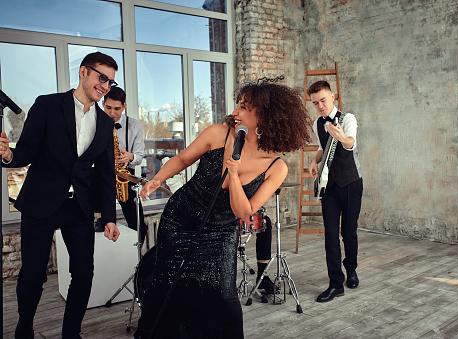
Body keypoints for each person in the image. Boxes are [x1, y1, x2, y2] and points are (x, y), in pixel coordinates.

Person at [134, 80, 310, 338]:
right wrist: (157, 179)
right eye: (238, 105)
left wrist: (235, 175)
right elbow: (183, 159)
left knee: (223, 297)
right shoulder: (219, 133)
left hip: (221, 232)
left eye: (244, 107)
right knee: (168, 284)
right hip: (180, 220)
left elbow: (243, 211)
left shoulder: (276, 167)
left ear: (265, 116)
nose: (236, 112)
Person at [0, 51, 121, 339]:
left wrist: (108, 217)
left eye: (111, 82)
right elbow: (26, 151)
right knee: (32, 276)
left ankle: (71, 334)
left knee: (83, 274)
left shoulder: (105, 123)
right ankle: (24, 327)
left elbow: (105, 174)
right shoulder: (47, 104)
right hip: (40, 203)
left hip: (78, 208)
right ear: (83, 73)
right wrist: (7, 155)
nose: (105, 86)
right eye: (101, 77)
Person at [307, 80, 363, 303]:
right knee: (330, 234)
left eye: (323, 100)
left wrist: (340, 136)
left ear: (333, 96)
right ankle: (335, 284)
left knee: (348, 233)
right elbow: (322, 147)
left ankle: (351, 270)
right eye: (315, 103)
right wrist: (314, 160)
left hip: (351, 182)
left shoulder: (347, 119)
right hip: (329, 186)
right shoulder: (317, 124)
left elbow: (350, 143)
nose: (320, 106)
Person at [223, 114, 275, 294]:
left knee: (265, 223)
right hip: (221, 213)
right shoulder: (220, 149)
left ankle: (263, 275)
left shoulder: (254, 155)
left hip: (243, 207)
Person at [95, 86, 147, 244]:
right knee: (101, 226)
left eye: (117, 109)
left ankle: (137, 260)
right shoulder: (95, 122)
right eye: (108, 107)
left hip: (124, 174)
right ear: (103, 104)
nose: (112, 113)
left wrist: (130, 156)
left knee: (138, 226)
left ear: (124, 107)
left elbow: (139, 155)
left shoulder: (134, 125)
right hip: (101, 175)